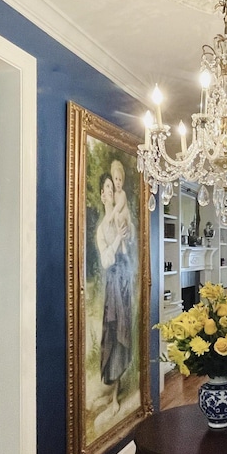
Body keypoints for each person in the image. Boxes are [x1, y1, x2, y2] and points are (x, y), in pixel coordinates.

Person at [95, 171, 134, 416]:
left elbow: (126, 253)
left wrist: (125, 240)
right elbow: (106, 260)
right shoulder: (101, 229)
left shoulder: (120, 219)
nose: (110, 190)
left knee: (124, 329)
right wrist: (117, 239)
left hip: (125, 281)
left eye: (112, 186)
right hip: (113, 283)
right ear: (101, 195)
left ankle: (117, 392)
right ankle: (112, 394)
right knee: (112, 330)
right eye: (106, 188)